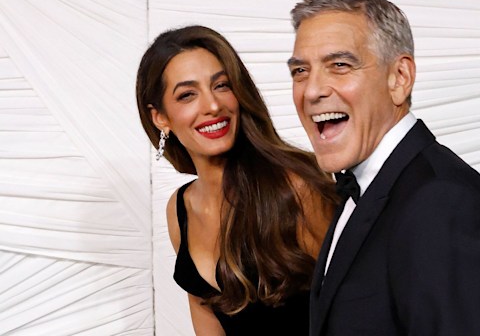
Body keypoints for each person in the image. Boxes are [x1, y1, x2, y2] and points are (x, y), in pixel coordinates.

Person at [287, 0, 480, 336]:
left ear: (399, 78)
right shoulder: (364, 186)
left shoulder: (441, 202)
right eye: (300, 71)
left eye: (339, 65)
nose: (312, 90)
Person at [136, 25, 336, 335]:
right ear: (160, 118)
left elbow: (361, 305)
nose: (213, 105)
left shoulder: (296, 187)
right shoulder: (180, 210)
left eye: (221, 85)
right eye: (188, 94)